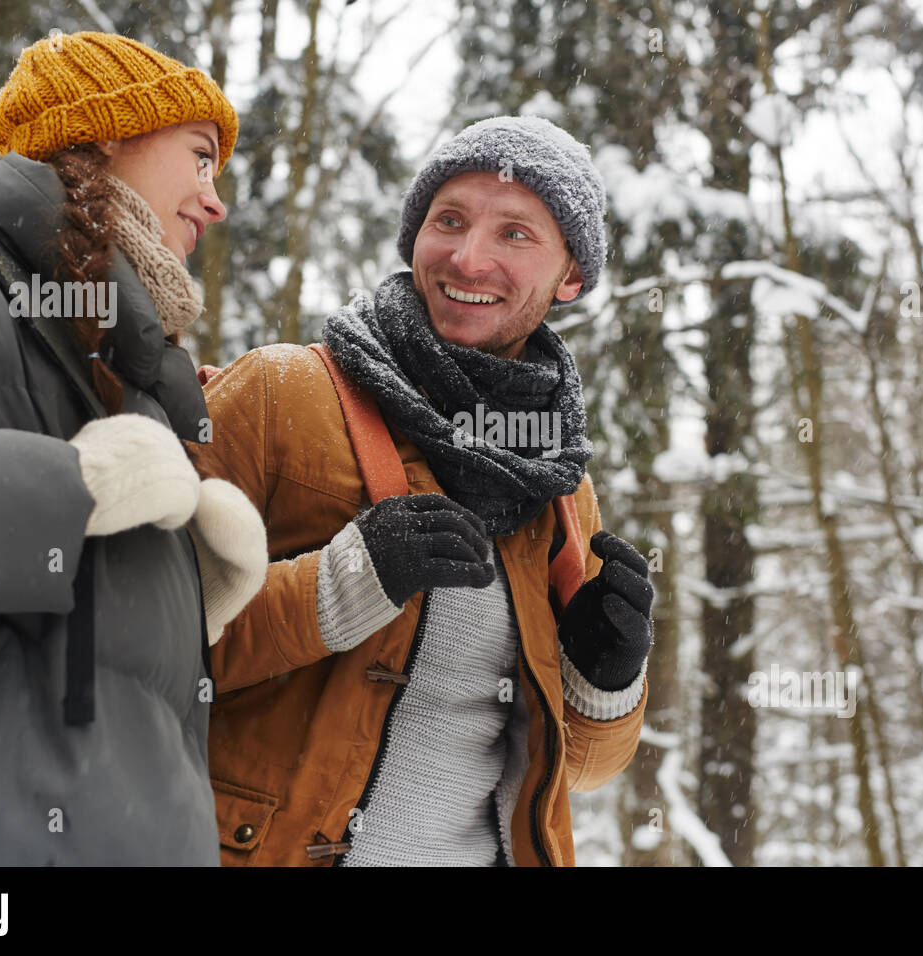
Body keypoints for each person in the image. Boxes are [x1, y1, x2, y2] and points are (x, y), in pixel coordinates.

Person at [194, 116, 654, 866]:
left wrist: (605, 682)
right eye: (450, 221)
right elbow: (129, 637)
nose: (468, 259)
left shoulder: (561, 488)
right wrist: (340, 586)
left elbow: (576, 772)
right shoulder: (279, 394)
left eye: (514, 233)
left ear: (571, 276)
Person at [0, 31, 267, 864]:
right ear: (108, 133)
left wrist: (181, 592)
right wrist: (69, 488)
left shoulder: (138, 373)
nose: (215, 202)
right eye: (200, 156)